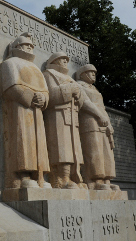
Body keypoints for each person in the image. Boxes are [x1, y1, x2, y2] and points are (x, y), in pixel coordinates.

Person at [43, 52, 108, 189]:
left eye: (66, 60)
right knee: (62, 148)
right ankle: (62, 178)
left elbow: (85, 101)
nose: (65, 62)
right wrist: (68, 90)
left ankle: (74, 177)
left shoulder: (70, 79)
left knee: (74, 149)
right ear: (54, 61)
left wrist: (99, 114)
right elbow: (49, 96)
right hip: (57, 115)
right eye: (62, 60)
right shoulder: (49, 74)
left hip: (73, 117)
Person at [0, 32, 51, 189]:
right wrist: (30, 97)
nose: (29, 48)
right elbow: (10, 86)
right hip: (20, 108)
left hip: (38, 112)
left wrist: (44, 99)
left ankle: (39, 176)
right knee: (23, 140)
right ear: (16, 47)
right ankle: (23, 176)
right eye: (25, 45)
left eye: (31, 46)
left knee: (39, 142)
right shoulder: (10, 63)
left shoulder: (35, 68)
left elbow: (46, 91)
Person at [76, 64, 120, 191]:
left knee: (106, 152)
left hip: (103, 122)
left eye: (95, 73)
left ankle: (106, 179)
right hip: (90, 121)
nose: (94, 75)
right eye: (90, 72)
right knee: (94, 151)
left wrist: (109, 124)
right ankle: (95, 180)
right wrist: (99, 115)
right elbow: (85, 103)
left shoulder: (95, 89)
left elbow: (103, 107)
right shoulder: (79, 85)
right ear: (82, 74)